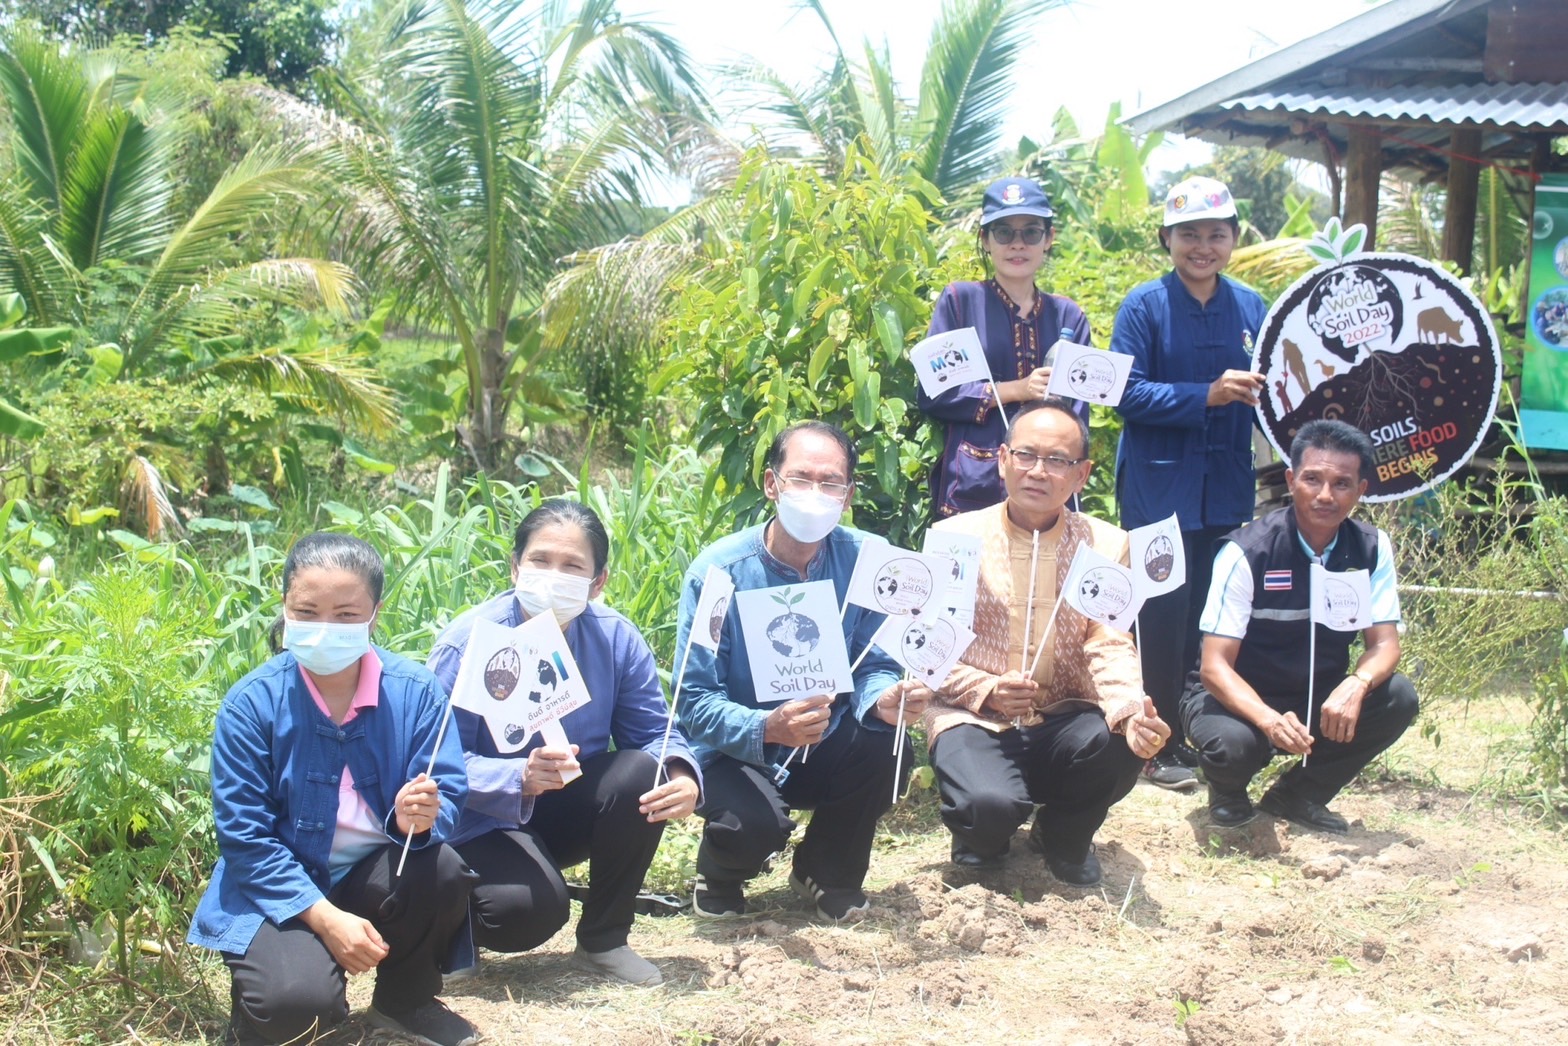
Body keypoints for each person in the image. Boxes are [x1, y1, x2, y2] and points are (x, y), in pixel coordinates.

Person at [188, 533, 477, 1046]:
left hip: (372, 874)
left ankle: (405, 1000)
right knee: (297, 1008)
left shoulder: (415, 692)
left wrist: (420, 816)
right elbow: (246, 840)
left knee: (444, 868)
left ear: (375, 614)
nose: (324, 628)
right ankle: (267, 1003)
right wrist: (325, 919)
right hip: (276, 888)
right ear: (285, 606)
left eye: (346, 615)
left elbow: (449, 789)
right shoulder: (251, 704)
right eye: (307, 611)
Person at [426, 500, 703, 987]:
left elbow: (652, 733)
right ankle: (451, 922)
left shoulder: (616, 639)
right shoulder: (468, 644)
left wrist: (682, 774)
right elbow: (429, 762)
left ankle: (605, 940)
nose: (553, 577)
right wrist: (516, 775)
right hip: (478, 821)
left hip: (563, 806)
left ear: (598, 581)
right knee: (525, 913)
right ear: (515, 567)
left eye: (573, 566)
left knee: (643, 771)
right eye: (540, 560)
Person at [675, 421, 933, 920]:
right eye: (800, 478)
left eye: (830, 482)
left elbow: (875, 662)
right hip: (734, 751)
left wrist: (883, 697)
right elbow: (694, 699)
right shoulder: (719, 574)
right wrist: (767, 726)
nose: (815, 494)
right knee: (753, 826)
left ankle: (827, 871)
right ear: (772, 484)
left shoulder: (867, 562)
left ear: (848, 495)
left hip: (825, 735)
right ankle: (721, 872)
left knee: (887, 744)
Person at [923, 400, 1171, 886]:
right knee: (988, 807)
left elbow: (1109, 640)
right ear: (1002, 460)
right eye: (1026, 455)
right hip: (974, 716)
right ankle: (982, 835)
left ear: (1081, 475)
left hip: (1064, 715)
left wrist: (1129, 711)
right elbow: (929, 646)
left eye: (1057, 460)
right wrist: (988, 689)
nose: (1038, 471)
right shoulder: (953, 538)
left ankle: (1062, 834)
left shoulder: (1106, 545)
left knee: (1120, 741)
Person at [1183, 420, 1419, 833]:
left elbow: (1385, 645)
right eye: (1312, 479)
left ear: (1361, 490)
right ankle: (1228, 792)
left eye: (1342, 484)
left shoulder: (1371, 548)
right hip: (1234, 696)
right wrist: (1268, 720)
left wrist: (1357, 684)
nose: (1326, 495)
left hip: (1317, 693)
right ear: (1292, 481)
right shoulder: (1246, 551)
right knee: (1233, 746)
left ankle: (1298, 795)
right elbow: (1214, 667)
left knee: (1398, 697)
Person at [1112, 175, 1269, 791]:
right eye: (1189, 235)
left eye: (1216, 234)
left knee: (1210, 612)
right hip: (1159, 492)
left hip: (1225, 487)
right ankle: (1152, 745)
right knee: (1159, 616)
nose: (1203, 246)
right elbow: (1125, 393)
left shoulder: (1253, 307)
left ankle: (1197, 732)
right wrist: (1206, 394)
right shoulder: (1143, 306)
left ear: (1234, 238)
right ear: (1167, 239)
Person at [919, 176, 1092, 519]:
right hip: (972, 483)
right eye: (1003, 232)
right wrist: (1016, 389)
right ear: (985, 240)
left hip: (1049, 487)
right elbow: (932, 394)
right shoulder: (959, 301)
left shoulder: (1069, 316)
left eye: (1031, 232)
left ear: (1049, 239)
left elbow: (1078, 414)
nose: (1017, 245)